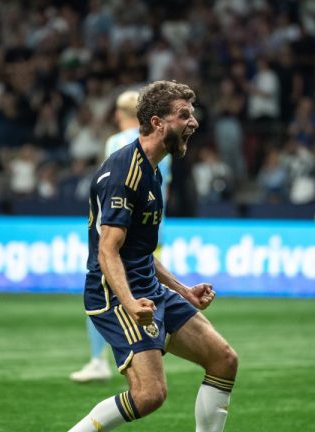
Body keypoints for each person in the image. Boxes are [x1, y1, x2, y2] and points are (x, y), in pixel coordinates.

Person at [69, 81, 238, 432]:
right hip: (116, 295)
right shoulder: (123, 173)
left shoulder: (153, 169)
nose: (193, 123)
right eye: (184, 116)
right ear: (159, 122)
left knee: (223, 360)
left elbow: (140, 250)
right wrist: (130, 302)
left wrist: (182, 290)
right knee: (149, 395)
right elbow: (107, 250)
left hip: (148, 287)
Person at [70, 89, 173, 383]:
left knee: (107, 290)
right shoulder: (165, 141)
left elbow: (111, 189)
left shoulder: (115, 143)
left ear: (118, 114)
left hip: (120, 226)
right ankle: (152, 348)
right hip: (155, 229)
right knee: (150, 290)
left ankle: (98, 360)